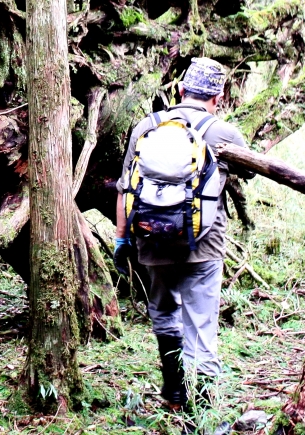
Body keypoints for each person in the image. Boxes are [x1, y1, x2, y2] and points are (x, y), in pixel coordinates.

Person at [114, 58, 248, 411]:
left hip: (151, 240)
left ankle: (173, 393)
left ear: (180, 89)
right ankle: (201, 414)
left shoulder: (147, 125)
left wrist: (121, 239)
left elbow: (125, 187)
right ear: (217, 97)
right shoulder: (223, 132)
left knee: (163, 311)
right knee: (201, 327)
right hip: (203, 246)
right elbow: (250, 174)